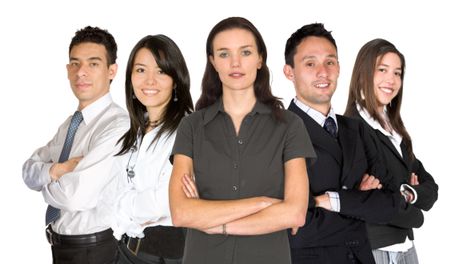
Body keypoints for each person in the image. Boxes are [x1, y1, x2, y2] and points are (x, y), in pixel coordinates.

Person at [168, 17, 315, 264]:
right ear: (213, 61)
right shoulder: (191, 126)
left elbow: (295, 213)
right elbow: (181, 213)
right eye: (224, 54)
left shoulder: (290, 126)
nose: (235, 63)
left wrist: (216, 222)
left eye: (245, 52)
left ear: (260, 59)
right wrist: (263, 204)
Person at [283, 23, 402, 264]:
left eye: (330, 62)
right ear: (289, 72)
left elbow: (391, 204)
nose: (323, 72)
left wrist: (327, 201)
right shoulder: (279, 132)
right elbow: (293, 228)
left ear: (339, 67)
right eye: (310, 63)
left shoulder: (355, 128)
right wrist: (359, 203)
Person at [22, 26, 129, 264]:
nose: (81, 72)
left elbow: (74, 198)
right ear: (67, 70)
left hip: (95, 251)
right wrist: (57, 171)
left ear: (112, 71)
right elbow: (27, 170)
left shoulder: (117, 126)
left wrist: (44, 186)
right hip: (62, 248)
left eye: (93, 63)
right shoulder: (71, 124)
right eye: (75, 63)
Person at [344, 38, 438, 264]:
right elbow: (372, 202)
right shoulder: (352, 128)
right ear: (363, 74)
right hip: (376, 249)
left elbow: (431, 187)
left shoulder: (396, 130)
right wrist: (417, 215)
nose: (392, 79)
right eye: (382, 69)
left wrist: (407, 193)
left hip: (406, 248)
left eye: (397, 73)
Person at [112, 34, 193, 264]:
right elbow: (108, 191)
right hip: (126, 251)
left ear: (176, 79)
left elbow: (167, 200)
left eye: (161, 71)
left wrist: (122, 205)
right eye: (140, 70)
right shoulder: (134, 132)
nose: (149, 81)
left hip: (164, 255)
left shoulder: (187, 131)